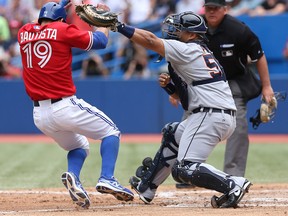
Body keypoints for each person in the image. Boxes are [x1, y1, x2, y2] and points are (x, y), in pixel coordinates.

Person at [108, 7, 252, 208]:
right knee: (173, 133)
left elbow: (150, 40)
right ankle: (146, 187)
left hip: (210, 115)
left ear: (192, 34)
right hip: (211, 113)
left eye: (179, 29)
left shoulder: (189, 49)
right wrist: (171, 90)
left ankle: (233, 183)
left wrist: (118, 26)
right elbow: (186, 100)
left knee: (184, 169)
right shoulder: (196, 52)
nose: (173, 32)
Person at [17, 1, 134, 209]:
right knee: (111, 132)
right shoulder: (62, 29)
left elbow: (40, 23)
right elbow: (99, 42)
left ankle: (73, 177)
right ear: (60, 19)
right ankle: (107, 177)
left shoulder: (24, 32)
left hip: (39, 115)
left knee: (79, 146)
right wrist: (102, 21)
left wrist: (62, 4)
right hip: (64, 106)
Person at [203, 0, 274, 177]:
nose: (212, 12)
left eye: (216, 8)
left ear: (225, 9)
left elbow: (259, 56)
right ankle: (187, 170)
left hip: (234, 81)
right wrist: (175, 91)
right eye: (208, 8)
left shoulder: (238, 29)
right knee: (190, 120)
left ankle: (234, 175)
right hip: (205, 83)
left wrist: (267, 86)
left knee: (238, 125)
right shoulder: (196, 28)